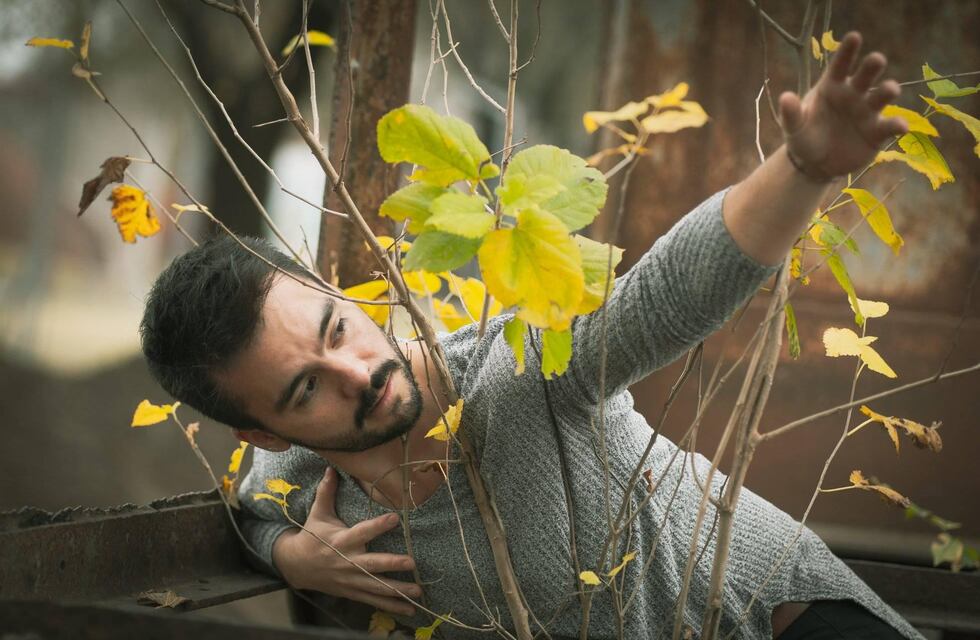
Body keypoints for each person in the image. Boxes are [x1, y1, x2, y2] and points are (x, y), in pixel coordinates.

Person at [140, 33, 923, 639]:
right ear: (260, 426)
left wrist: (802, 167)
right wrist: (290, 554)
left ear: (335, 294)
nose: (357, 372)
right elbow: (249, 509)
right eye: (305, 388)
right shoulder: (298, 484)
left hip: (782, 614)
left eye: (335, 327)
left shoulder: (520, 359)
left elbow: (665, 296)